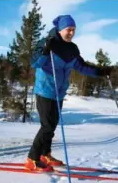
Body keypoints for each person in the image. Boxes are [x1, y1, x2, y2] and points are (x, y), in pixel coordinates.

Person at [25, 15, 112, 172]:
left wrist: (100, 72)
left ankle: (46, 154)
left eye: (74, 30)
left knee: (52, 126)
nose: (71, 33)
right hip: (45, 90)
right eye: (69, 30)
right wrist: (45, 50)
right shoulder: (48, 42)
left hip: (59, 93)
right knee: (47, 126)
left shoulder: (72, 49)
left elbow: (81, 66)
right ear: (60, 29)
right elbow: (35, 63)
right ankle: (32, 158)